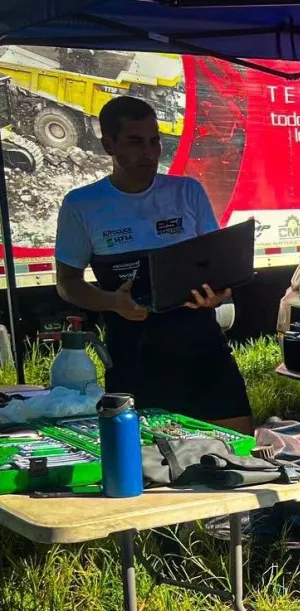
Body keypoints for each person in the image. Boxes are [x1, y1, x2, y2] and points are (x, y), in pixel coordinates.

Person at [53, 95, 253, 435]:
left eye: (155, 141)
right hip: (134, 352)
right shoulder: (82, 205)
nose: (150, 152)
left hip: (201, 342)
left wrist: (217, 293)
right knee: (150, 461)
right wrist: (113, 302)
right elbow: (67, 282)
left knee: (236, 447)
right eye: (136, 142)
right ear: (108, 145)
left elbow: (217, 264)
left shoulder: (187, 191)